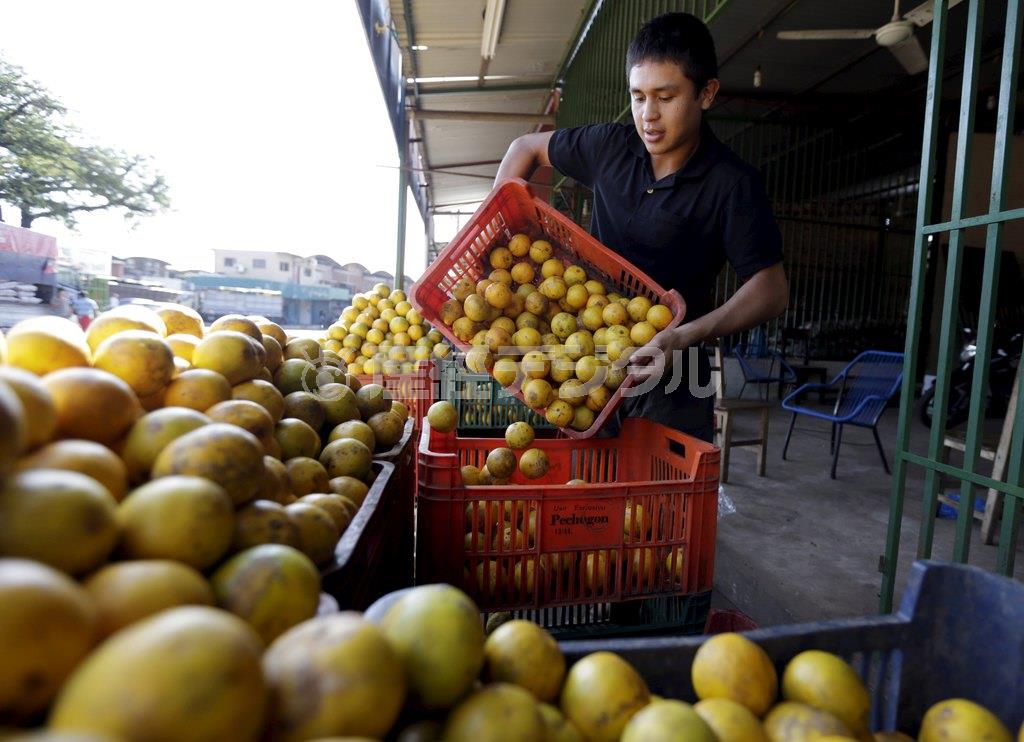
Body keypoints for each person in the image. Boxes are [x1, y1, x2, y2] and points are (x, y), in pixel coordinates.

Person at [494, 12, 788, 442]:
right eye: (638, 97)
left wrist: (683, 336)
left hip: (675, 378)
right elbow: (525, 148)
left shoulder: (731, 184)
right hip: (585, 360)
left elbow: (771, 289)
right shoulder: (610, 147)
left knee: (657, 483)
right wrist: (498, 226)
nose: (648, 115)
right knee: (584, 479)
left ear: (706, 93)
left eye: (665, 97)